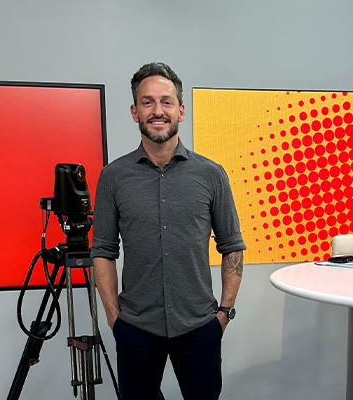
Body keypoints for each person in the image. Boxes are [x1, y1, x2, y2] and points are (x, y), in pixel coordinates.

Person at [91, 62, 246, 400]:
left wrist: (224, 313)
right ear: (135, 112)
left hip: (199, 326)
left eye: (166, 101)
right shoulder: (113, 177)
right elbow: (102, 250)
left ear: (181, 110)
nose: (157, 111)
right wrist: (114, 318)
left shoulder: (211, 175)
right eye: (147, 102)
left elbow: (232, 245)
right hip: (135, 327)